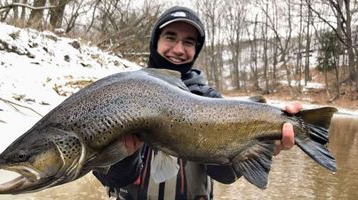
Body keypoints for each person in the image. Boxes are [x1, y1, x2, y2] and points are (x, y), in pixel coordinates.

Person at [93, 6, 302, 200]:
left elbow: (224, 174)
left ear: (196, 49)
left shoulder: (210, 100)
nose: (178, 49)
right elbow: (108, 177)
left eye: (188, 42)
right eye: (170, 37)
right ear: (155, 41)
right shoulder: (125, 93)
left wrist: (257, 148)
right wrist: (126, 155)